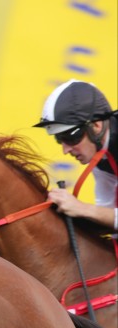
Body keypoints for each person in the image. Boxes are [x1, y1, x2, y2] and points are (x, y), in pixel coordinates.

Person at [33, 79, 118, 233]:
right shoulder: (98, 149)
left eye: (70, 137)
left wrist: (82, 208)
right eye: (59, 139)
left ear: (96, 126)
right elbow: (107, 213)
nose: (65, 150)